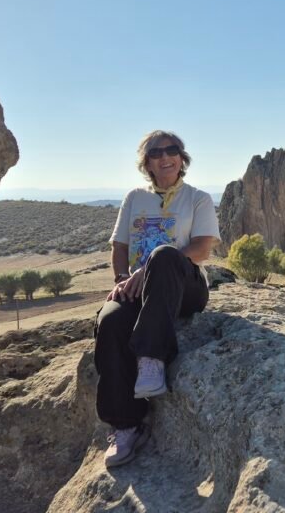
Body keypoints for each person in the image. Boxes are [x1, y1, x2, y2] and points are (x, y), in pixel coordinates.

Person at [94, 130, 220, 467]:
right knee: (110, 320)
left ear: (182, 157)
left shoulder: (197, 198)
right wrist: (122, 280)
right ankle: (126, 425)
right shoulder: (135, 198)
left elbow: (202, 249)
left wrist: (148, 268)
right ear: (147, 163)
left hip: (184, 286)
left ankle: (151, 358)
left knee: (164, 254)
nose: (165, 157)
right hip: (138, 287)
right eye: (156, 153)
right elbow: (120, 246)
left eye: (172, 150)